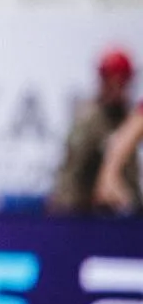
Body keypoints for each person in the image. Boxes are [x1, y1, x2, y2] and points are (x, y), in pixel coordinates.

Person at [49, 48, 140, 216]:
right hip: (81, 213)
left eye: (121, 82)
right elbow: (72, 175)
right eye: (110, 81)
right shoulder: (89, 120)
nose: (115, 88)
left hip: (121, 211)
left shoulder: (129, 118)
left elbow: (129, 174)